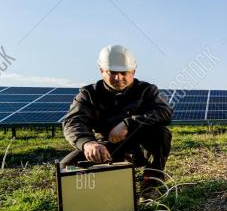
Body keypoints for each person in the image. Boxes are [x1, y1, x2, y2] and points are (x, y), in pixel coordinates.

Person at [60, 45, 173, 198]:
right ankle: (99, 190)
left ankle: (151, 182)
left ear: (133, 71)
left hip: (140, 145)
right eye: (112, 72)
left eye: (123, 72)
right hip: (106, 148)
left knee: (161, 133)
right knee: (67, 166)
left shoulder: (146, 90)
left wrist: (129, 123)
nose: (118, 77)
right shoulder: (88, 94)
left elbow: (164, 112)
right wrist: (88, 143)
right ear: (101, 70)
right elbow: (73, 121)